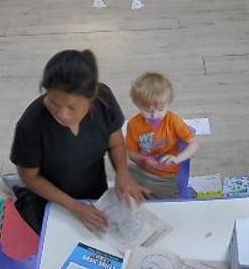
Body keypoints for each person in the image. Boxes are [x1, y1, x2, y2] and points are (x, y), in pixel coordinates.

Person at [9, 49, 149, 234]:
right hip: (51, 201)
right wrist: (75, 208)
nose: (61, 114)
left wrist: (123, 173)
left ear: (91, 98)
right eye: (53, 102)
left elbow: (115, 143)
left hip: (94, 192)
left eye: (71, 107)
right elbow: (30, 177)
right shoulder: (31, 125)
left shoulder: (104, 101)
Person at [125, 72, 199, 199]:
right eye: (147, 111)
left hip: (167, 176)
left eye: (160, 110)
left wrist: (177, 158)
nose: (154, 116)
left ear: (168, 104)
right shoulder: (133, 124)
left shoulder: (172, 120)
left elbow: (194, 144)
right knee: (123, 178)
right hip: (143, 171)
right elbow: (131, 154)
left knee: (164, 201)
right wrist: (142, 159)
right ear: (137, 105)